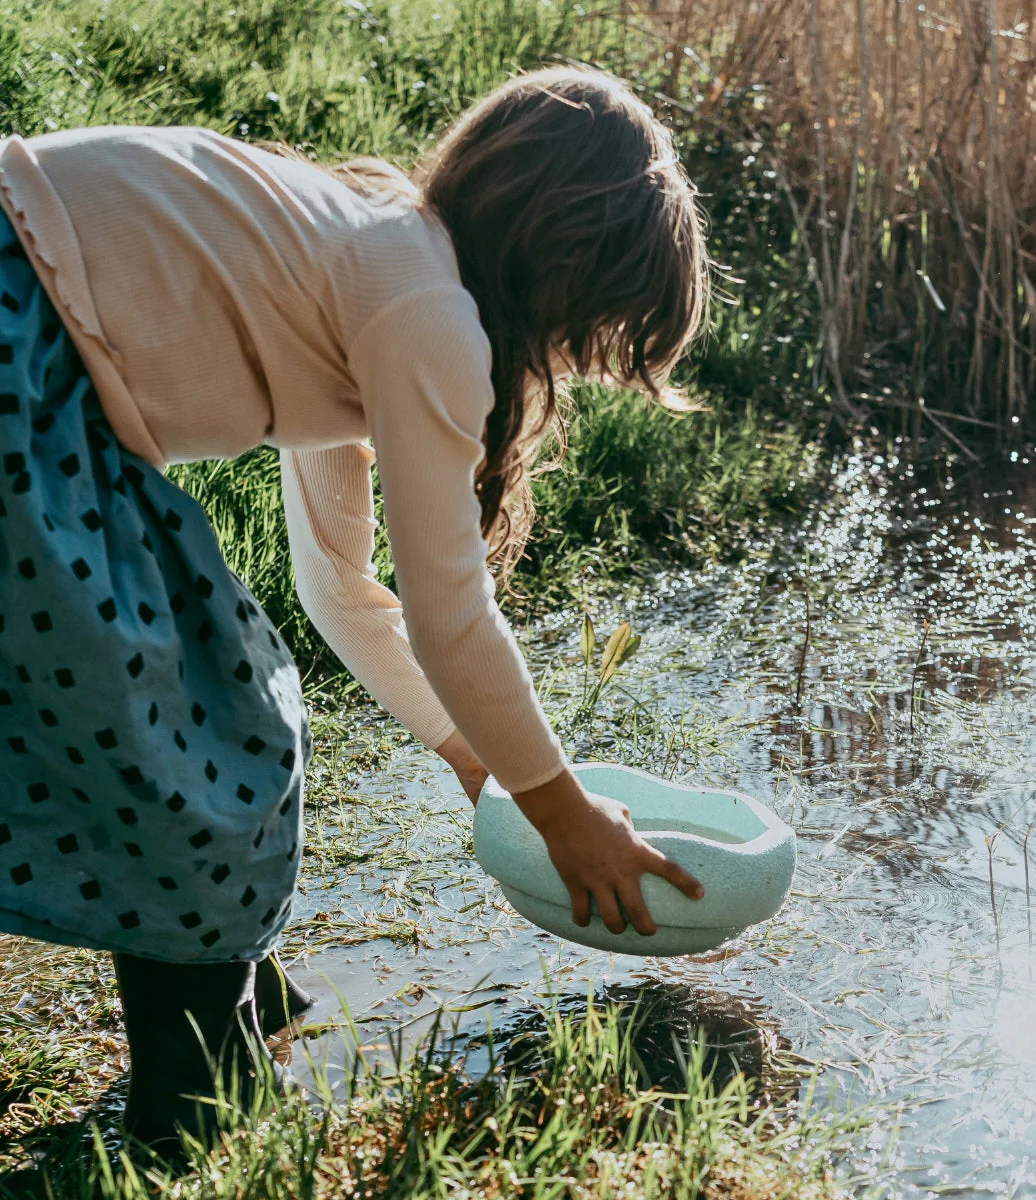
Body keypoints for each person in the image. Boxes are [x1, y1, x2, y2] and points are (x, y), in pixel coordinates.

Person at [0, 65, 709, 1150]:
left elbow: (341, 588)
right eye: (590, 329)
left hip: (34, 339)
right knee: (195, 717)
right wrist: (565, 815)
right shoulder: (424, 307)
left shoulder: (376, 260)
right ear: (556, 260)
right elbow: (451, 614)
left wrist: (478, 760)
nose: (572, 361)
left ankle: (235, 1011)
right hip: (19, 328)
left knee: (212, 700)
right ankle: (195, 1100)